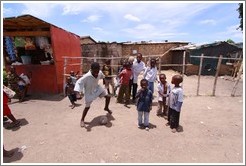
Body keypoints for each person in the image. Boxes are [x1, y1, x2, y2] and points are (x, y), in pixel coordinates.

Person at [74, 62, 112, 128]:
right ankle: (82, 120)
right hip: (89, 92)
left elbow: (103, 76)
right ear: (91, 69)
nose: (97, 73)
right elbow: (79, 82)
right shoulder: (87, 76)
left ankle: (106, 108)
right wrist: (77, 93)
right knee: (87, 107)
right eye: (95, 71)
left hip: (97, 88)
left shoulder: (99, 72)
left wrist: (106, 81)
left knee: (108, 96)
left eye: (98, 71)